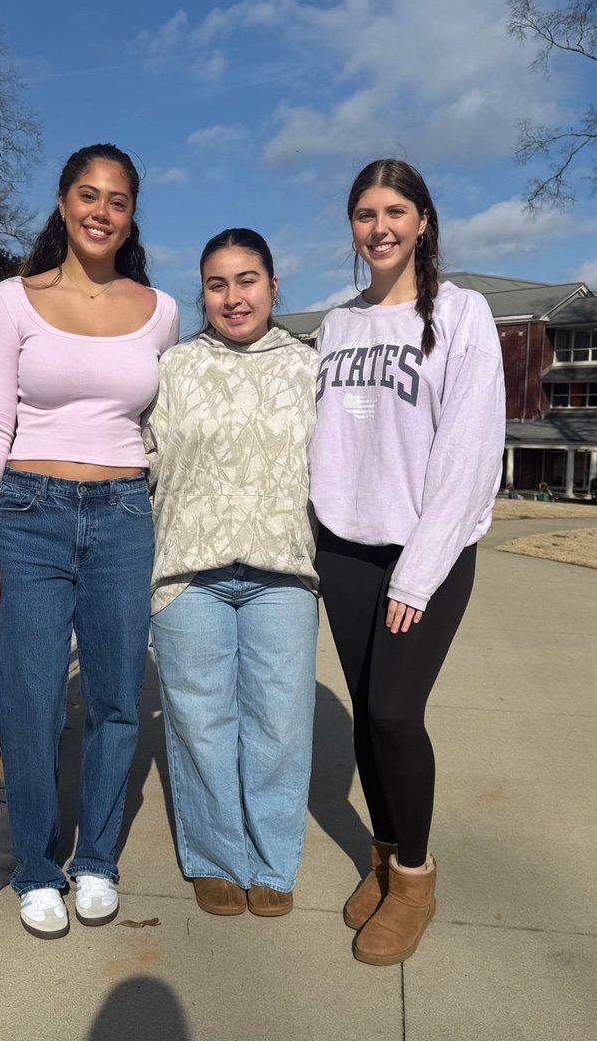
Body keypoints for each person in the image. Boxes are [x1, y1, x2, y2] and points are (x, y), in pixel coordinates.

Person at [0, 143, 179, 938]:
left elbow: (162, 426)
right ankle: (36, 868)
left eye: (117, 200)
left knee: (119, 697)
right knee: (31, 700)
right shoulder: (12, 301)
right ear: (62, 203)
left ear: (130, 217)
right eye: (88, 195)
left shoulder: (159, 310)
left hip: (123, 514)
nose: (101, 211)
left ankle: (97, 862)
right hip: (27, 517)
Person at [308, 159, 505, 965]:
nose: (379, 227)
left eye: (395, 210)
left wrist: (418, 572)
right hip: (344, 548)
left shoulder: (462, 314)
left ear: (423, 220)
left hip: (426, 549)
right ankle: (384, 856)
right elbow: (320, 439)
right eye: (364, 213)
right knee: (364, 711)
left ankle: (416, 880)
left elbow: (468, 450)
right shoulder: (335, 324)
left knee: (394, 711)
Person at [142, 229, 319, 918]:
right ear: (203, 294)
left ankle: (274, 861)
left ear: (274, 288)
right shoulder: (173, 368)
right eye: (217, 284)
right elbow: (138, 456)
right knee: (202, 725)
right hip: (190, 572)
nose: (233, 297)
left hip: (282, 571)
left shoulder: (310, 367)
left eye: (248, 280)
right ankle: (217, 856)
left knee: (279, 725)